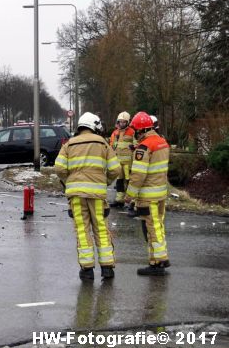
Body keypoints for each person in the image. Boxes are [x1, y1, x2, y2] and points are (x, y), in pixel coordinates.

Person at [55, 112, 121, 281]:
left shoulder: (69, 144)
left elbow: (60, 168)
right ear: (94, 126)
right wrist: (103, 181)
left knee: (82, 230)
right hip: (97, 196)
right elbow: (115, 169)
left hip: (76, 196)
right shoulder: (103, 143)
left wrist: (69, 182)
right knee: (100, 228)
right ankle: (107, 268)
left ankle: (87, 270)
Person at [125, 111, 171, 276]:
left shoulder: (144, 147)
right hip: (160, 194)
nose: (135, 134)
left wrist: (129, 195)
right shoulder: (162, 142)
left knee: (152, 228)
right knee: (158, 227)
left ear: (140, 130)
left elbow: (138, 175)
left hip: (148, 196)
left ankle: (160, 260)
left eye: (136, 131)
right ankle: (155, 261)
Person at [108, 112, 135, 208]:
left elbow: (137, 145)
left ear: (127, 122)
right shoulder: (115, 133)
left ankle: (132, 202)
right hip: (119, 162)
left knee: (129, 182)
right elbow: (112, 145)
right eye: (120, 122)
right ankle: (119, 200)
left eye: (124, 122)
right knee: (119, 181)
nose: (122, 124)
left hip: (128, 163)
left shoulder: (132, 132)